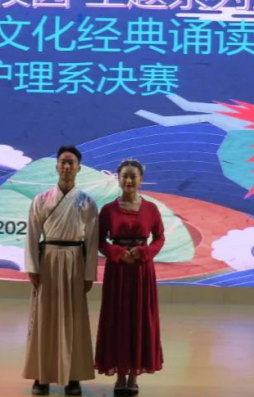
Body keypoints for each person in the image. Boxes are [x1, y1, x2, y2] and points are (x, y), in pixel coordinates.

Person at [23, 146, 99, 396]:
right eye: (63, 162)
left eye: (71, 163)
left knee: (74, 319)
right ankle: (41, 375)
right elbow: (32, 236)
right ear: (56, 167)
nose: (67, 167)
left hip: (75, 261)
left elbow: (92, 241)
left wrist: (89, 274)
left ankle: (73, 376)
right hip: (48, 261)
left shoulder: (87, 202)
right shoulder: (41, 199)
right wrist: (33, 268)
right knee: (44, 318)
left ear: (79, 168)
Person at [95, 158, 164, 396]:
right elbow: (99, 240)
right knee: (118, 319)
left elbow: (159, 238)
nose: (128, 181)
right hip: (118, 271)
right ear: (118, 178)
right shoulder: (108, 210)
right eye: (124, 176)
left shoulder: (151, 209)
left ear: (141, 179)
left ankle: (134, 375)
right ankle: (120, 376)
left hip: (141, 272)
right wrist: (116, 252)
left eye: (133, 176)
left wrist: (144, 253)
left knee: (139, 319)